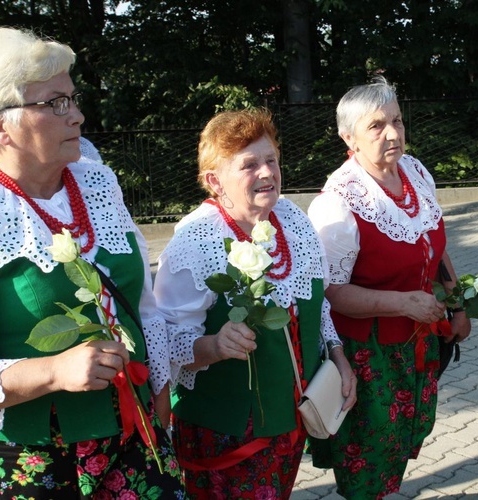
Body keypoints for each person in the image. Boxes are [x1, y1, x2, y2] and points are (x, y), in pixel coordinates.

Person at [0, 27, 183, 497]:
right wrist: (54, 371)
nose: (78, 116)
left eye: (73, 98)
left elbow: (142, 301)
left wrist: (159, 395)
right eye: (55, 104)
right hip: (35, 457)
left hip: (135, 434)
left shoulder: (96, 183)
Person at [153, 108, 357, 499]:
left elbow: (318, 304)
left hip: (290, 422)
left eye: (271, 160)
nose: (266, 173)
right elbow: (163, 341)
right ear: (215, 180)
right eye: (249, 165)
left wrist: (338, 355)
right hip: (225, 434)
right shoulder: (194, 242)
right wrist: (214, 346)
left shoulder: (293, 219)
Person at [306, 77, 471, 499]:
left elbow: (434, 245)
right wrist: (402, 303)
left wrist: (456, 304)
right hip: (368, 353)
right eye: (376, 126)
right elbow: (330, 293)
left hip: (418, 340)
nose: (393, 133)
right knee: (369, 454)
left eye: (396, 120)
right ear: (349, 138)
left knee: (400, 441)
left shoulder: (415, 172)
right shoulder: (339, 203)